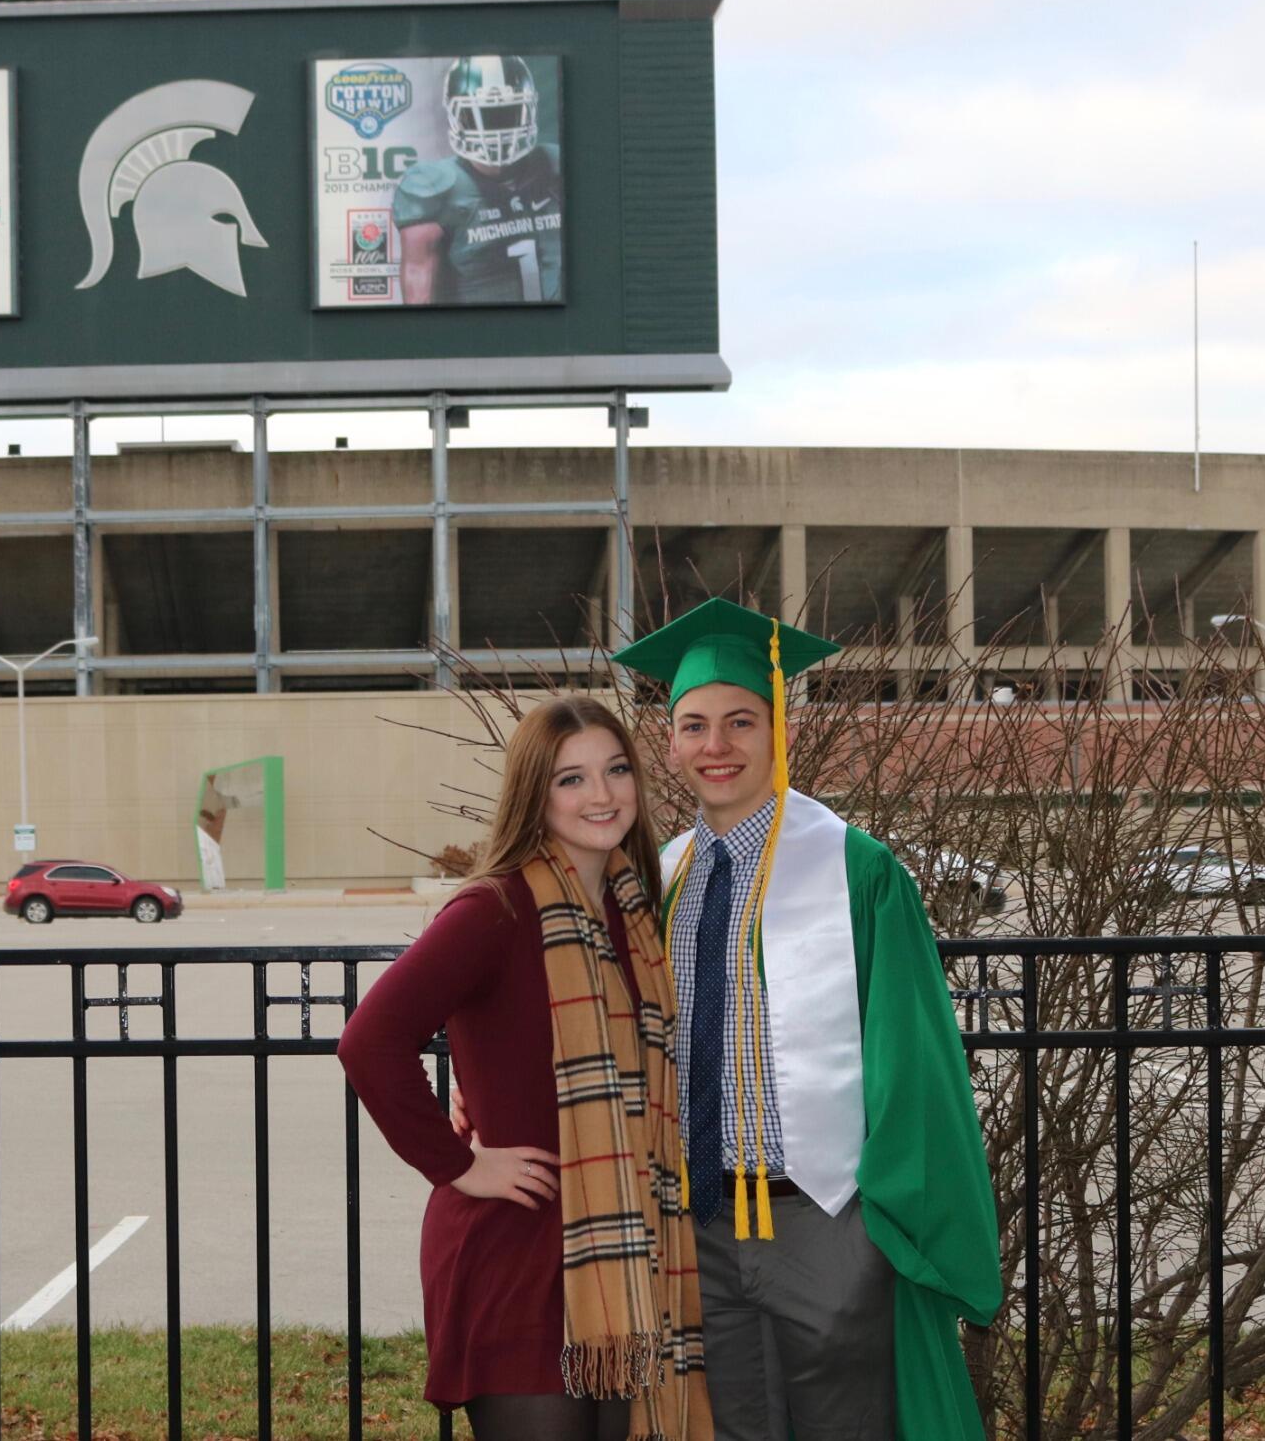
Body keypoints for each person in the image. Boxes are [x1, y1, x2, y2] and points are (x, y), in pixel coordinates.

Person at [608, 597, 1001, 1441]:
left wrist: (887, 1223)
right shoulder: (656, 877)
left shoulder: (857, 871)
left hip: (823, 1220)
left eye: (740, 721)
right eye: (693, 725)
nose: (716, 746)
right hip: (698, 1226)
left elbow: (914, 1059)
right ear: (669, 741)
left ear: (778, 726)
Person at [339, 696, 711, 1440]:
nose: (600, 795)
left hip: (621, 1252)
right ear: (533, 795)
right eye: (570, 779)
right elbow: (370, 1040)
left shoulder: (632, 914)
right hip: (517, 1254)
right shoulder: (495, 909)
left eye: (614, 771)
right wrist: (458, 1166)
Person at [395, 55, 564, 305]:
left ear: (529, 110)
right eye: (480, 115)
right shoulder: (432, 186)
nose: (496, 132)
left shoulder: (555, 165)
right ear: (455, 116)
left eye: (506, 113)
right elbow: (420, 297)